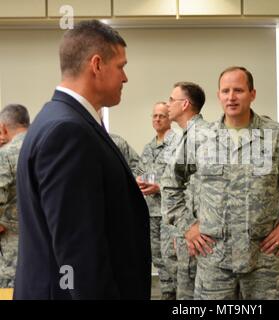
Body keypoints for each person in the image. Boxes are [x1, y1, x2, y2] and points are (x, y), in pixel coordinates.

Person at [14, 20, 151, 299]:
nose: (125, 78)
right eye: (121, 66)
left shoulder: (62, 119)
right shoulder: (68, 131)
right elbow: (79, 252)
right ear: (97, 64)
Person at [161, 67, 279, 299]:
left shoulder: (276, 135)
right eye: (225, 91)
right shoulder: (201, 138)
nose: (231, 97)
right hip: (213, 259)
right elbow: (170, 184)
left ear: (252, 94)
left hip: (264, 262)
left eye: (238, 90)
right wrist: (188, 225)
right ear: (218, 96)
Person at [161, 82, 209, 300]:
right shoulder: (185, 136)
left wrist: (189, 229)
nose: (167, 104)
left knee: (193, 295)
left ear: (185, 104)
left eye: (172, 100)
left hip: (200, 235)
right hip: (188, 231)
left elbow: (205, 190)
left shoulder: (202, 136)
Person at [136, 102, 179, 300]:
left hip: (170, 213)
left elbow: (184, 180)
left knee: (172, 258)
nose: (157, 119)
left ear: (169, 118)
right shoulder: (148, 148)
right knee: (158, 258)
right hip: (151, 211)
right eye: (154, 116)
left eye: (162, 115)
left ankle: (179, 296)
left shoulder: (178, 144)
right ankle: (167, 294)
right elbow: (140, 172)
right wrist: (138, 181)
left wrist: (159, 187)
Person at [0, 104, 29, 288]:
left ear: (3, 127)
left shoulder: (6, 156)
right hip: (47, 253)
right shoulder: (46, 148)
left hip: (12, 261)